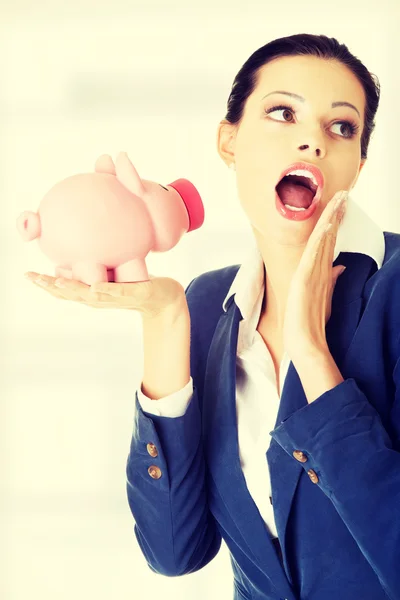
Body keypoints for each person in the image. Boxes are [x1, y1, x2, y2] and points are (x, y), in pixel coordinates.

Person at [25, 34, 400, 600]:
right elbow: (175, 552)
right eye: (283, 112)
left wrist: (311, 352)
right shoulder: (207, 303)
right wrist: (165, 319)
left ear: (359, 163)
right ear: (229, 141)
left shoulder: (393, 290)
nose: (312, 141)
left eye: (341, 128)